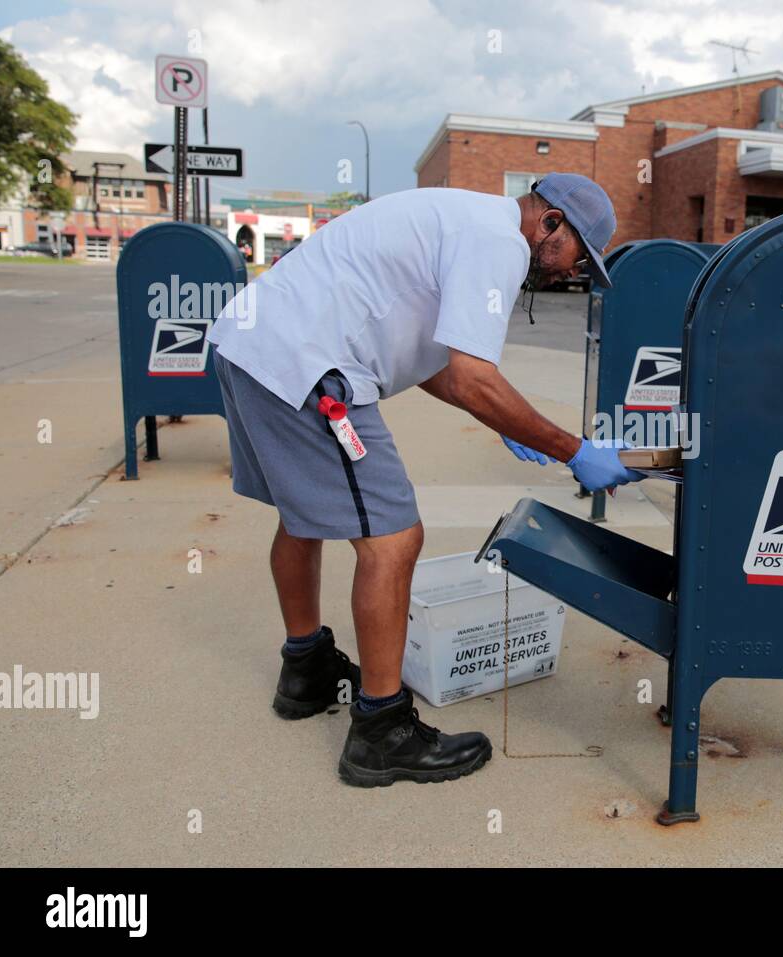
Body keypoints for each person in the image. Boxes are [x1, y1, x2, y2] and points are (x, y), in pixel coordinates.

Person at [205, 174, 642, 787]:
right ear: (552, 225)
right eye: (579, 256)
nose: (573, 272)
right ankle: (382, 734)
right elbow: (470, 377)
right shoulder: (499, 243)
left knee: (302, 514)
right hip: (309, 367)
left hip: (250, 347)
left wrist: (499, 418)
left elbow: (437, 363)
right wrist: (576, 451)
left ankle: (304, 671)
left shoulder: (466, 218)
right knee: (393, 539)